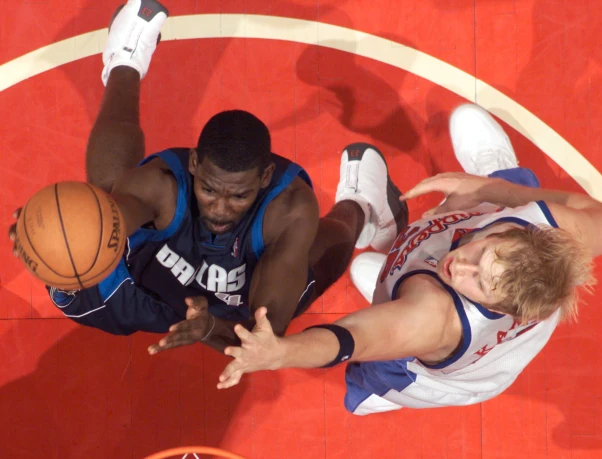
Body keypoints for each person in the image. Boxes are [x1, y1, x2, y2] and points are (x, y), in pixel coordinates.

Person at [8, 0, 408, 356]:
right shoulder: (161, 185)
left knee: (319, 252)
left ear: (265, 177)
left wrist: (209, 328)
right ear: (194, 164)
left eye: (238, 196)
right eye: (209, 190)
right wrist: (59, 233)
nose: (219, 208)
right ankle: (124, 60)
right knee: (108, 191)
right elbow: (107, 216)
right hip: (136, 285)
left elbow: (265, 336)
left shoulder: (288, 208)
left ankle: (362, 202)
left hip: (230, 304)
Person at [215, 103, 602, 415]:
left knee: (378, 350)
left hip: (432, 365)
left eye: (478, 283)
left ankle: (390, 350)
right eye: (481, 253)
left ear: (499, 306)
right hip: (473, 269)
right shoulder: (556, 235)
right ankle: (498, 174)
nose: (459, 267)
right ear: (509, 231)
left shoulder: (432, 317)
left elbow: (347, 340)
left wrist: (278, 353)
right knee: (487, 197)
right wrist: (496, 189)